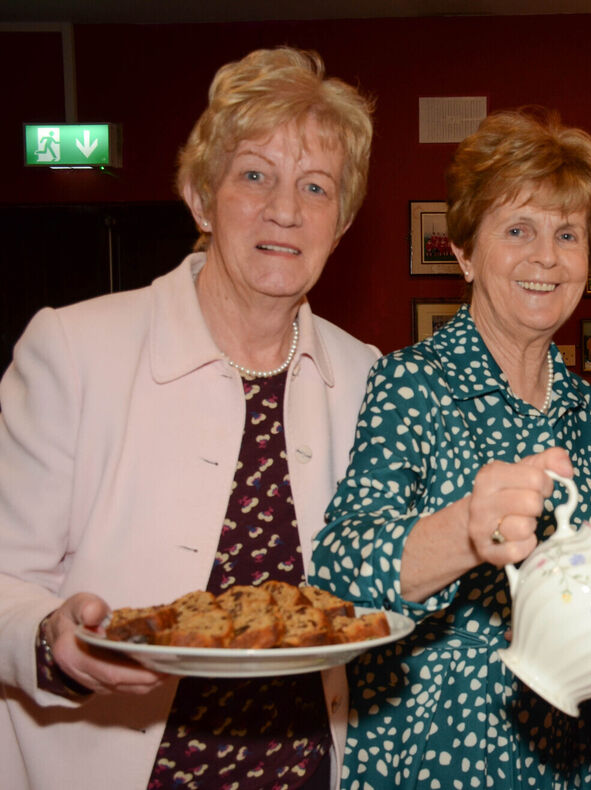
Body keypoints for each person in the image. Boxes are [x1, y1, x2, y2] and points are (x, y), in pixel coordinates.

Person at [0, 47, 378, 789]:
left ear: (340, 222)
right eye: (254, 176)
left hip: (302, 769)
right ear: (201, 199)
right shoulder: (75, 349)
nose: (285, 209)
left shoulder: (364, 374)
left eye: (315, 186)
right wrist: (51, 638)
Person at [311, 107, 591, 790]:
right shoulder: (412, 382)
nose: (546, 256)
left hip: (566, 759)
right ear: (465, 253)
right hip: (433, 757)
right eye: (518, 230)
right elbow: (338, 568)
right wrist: (465, 534)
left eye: (568, 234)